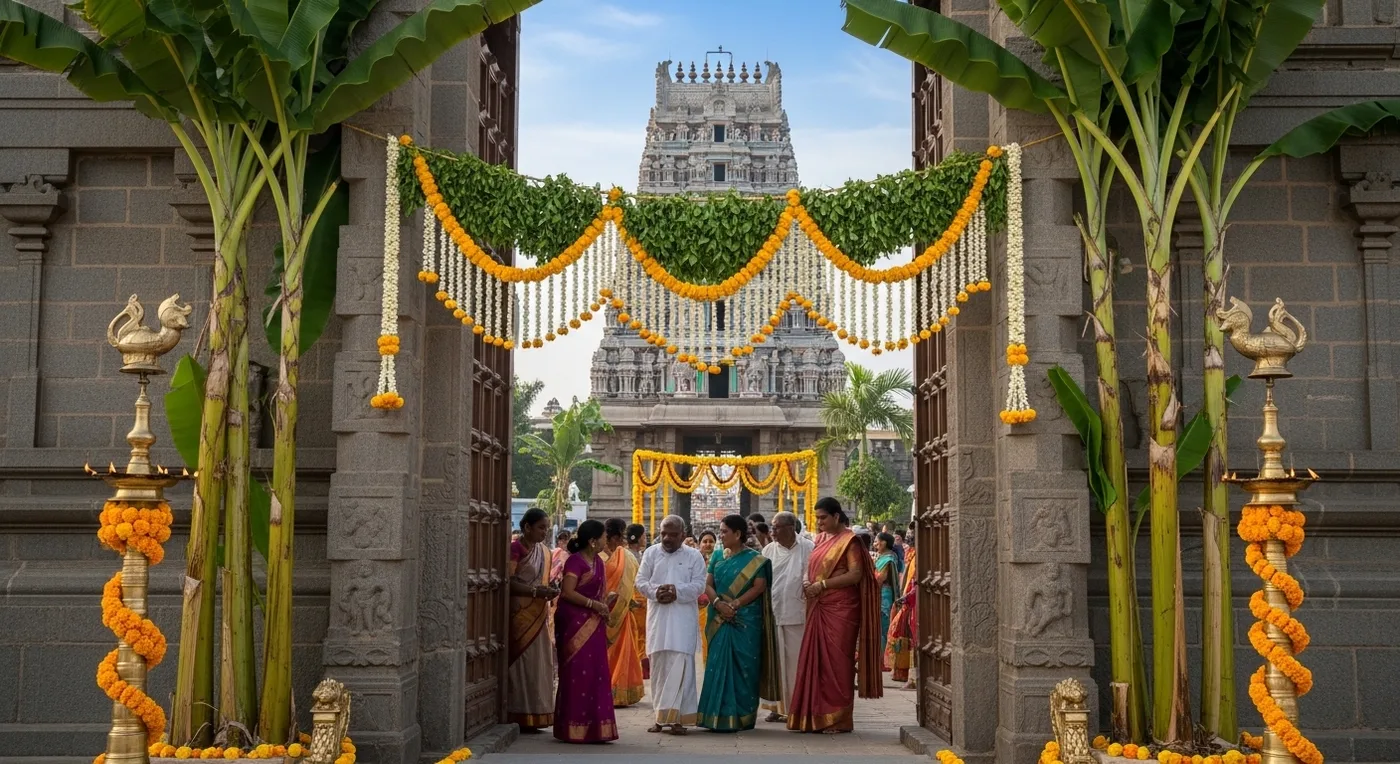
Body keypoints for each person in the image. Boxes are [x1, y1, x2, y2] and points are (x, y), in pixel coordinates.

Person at [786, 497, 883, 733]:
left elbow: (856, 574)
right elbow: (813, 569)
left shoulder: (850, 541)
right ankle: (814, 716)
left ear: (836, 516)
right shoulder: (820, 540)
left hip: (841, 609)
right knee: (815, 662)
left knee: (838, 663)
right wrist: (810, 583)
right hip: (819, 605)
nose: (819, 522)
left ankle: (839, 719)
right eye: (817, 517)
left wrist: (823, 586)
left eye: (823, 517)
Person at [697, 514, 780, 732]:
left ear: (738, 534)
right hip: (719, 617)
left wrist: (733, 604)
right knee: (717, 664)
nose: (720, 535)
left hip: (745, 619)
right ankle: (714, 715)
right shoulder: (717, 557)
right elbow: (707, 584)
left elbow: (759, 586)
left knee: (745, 667)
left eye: (724, 531)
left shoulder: (756, 559)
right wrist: (718, 603)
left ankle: (742, 716)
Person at [636, 515, 708, 735]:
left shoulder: (694, 556)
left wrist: (677, 592)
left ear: (683, 535)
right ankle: (659, 718)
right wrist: (655, 592)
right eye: (663, 533)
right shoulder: (650, 553)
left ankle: (679, 720)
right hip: (658, 620)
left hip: (682, 621)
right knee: (658, 669)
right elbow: (640, 581)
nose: (666, 538)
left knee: (681, 669)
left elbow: (699, 585)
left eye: (672, 534)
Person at [552, 520, 618, 743]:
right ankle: (572, 728)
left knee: (595, 672)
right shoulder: (575, 562)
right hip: (573, 624)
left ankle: (596, 728)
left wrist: (605, 604)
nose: (605, 541)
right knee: (576, 674)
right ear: (592, 541)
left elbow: (600, 594)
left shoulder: (598, 561)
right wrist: (594, 605)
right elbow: (567, 592)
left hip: (594, 624)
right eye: (602, 537)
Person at [759, 511, 814, 723]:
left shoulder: (808, 548)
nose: (772, 531)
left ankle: (797, 706)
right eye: (772, 527)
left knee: (795, 663)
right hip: (773, 613)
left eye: (777, 527)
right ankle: (777, 706)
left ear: (792, 528)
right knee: (776, 663)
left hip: (798, 614)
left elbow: (812, 576)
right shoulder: (768, 550)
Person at [507, 509, 558, 731]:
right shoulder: (515, 549)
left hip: (539, 615)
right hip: (519, 615)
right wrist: (536, 592)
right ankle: (518, 713)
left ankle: (537, 713)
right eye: (541, 527)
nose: (544, 532)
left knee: (539, 664)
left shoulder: (544, 552)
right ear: (527, 527)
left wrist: (548, 590)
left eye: (546, 528)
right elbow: (507, 582)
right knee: (522, 663)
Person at [603, 518, 645, 707]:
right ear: (614, 537)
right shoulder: (599, 557)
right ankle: (605, 689)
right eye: (620, 536)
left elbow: (633, 584)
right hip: (601, 613)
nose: (622, 540)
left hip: (623, 613)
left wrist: (629, 601)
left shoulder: (625, 556)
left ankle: (619, 692)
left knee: (623, 651)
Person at [886, 531, 918, 688]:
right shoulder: (911, 555)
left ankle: (914, 677)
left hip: (916, 602)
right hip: (908, 601)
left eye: (913, 534)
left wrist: (908, 597)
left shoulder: (920, 555)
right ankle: (907, 675)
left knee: (914, 639)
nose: (909, 537)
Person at [873, 532, 902, 668]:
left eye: (876, 541)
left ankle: (884, 660)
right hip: (879, 594)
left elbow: (880, 578)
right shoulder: (882, 557)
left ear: (884, 543)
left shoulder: (889, 559)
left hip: (883, 595)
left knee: (883, 626)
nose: (874, 544)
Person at [626, 523, 651, 679]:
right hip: (634, 601)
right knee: (637, 635)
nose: (646, 538)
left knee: (642, 634)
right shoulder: (628, 556)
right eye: (644, 535)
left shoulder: (641, 555)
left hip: (643, 601)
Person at [696, 530, 717, 663]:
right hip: (698, 607)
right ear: (699, 544)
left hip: (716, 604)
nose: (708, 544)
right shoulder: (694, 560)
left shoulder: (721, 559)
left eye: (711, 541)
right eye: (705, 541)